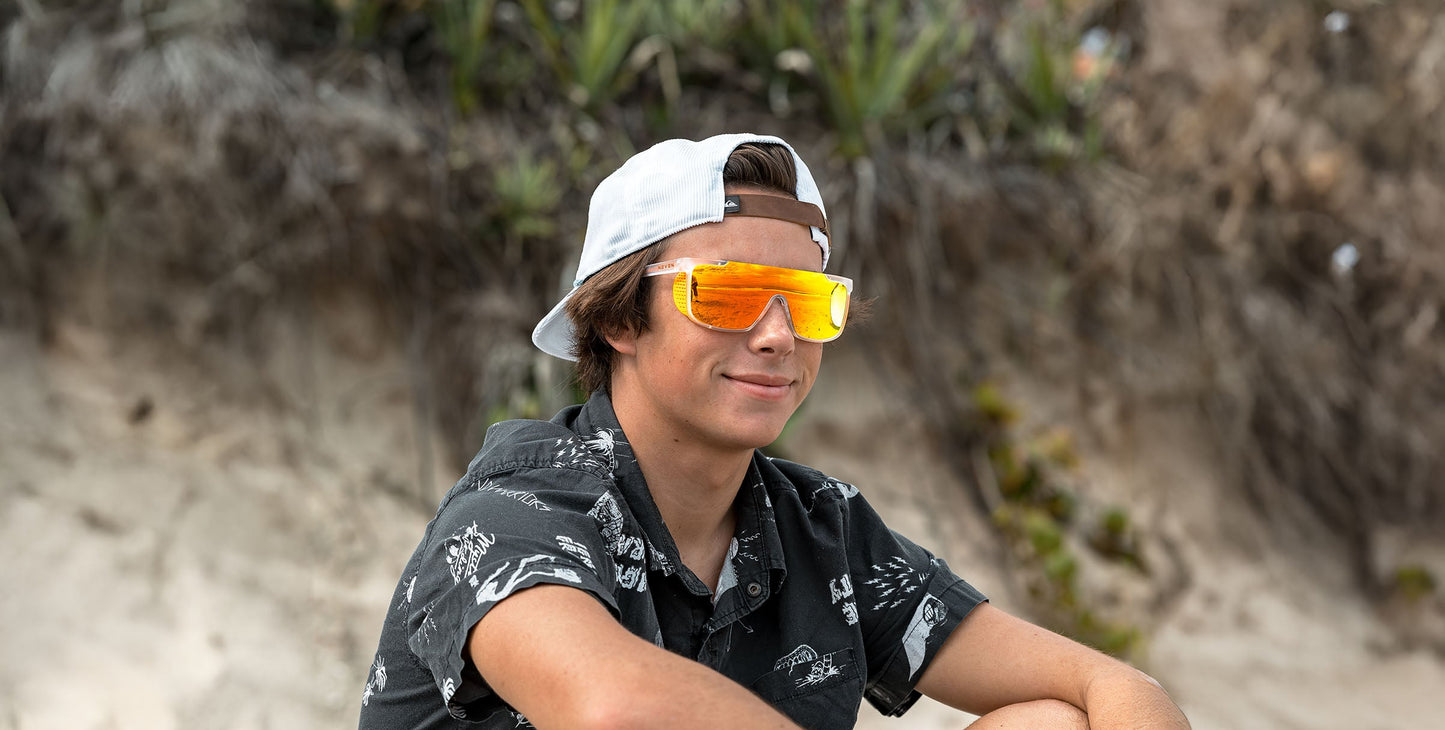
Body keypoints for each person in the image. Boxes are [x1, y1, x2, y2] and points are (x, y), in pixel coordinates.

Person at [359, 133, 1191, 729]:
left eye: (806, 300)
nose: (776, 336)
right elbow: (615, 708)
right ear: (617, 318)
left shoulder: (819, 526)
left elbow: (1108, 686)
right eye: (726, 294)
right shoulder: (513, 509)